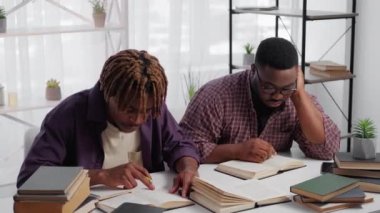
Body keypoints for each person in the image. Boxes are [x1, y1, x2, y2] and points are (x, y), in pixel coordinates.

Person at [17, 49, 200, 197]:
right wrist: (100, 176)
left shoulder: (152, 107)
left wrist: (188, 169)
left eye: (146, 112)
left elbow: (180, 144)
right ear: (107, 94)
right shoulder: (68, 114)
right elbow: (30, 177)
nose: (138, 120)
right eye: (129, 110)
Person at [180, 37, 340, 164]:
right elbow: (184, 147)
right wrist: (237, 151)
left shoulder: (297, 97)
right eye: (269, 88)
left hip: (272, 188)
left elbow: (328, 151)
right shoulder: (215, 96)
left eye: (285, 88)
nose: (277, 96)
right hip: (220, 189)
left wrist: (298, 96)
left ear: (297, 75)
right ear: (253, 70)